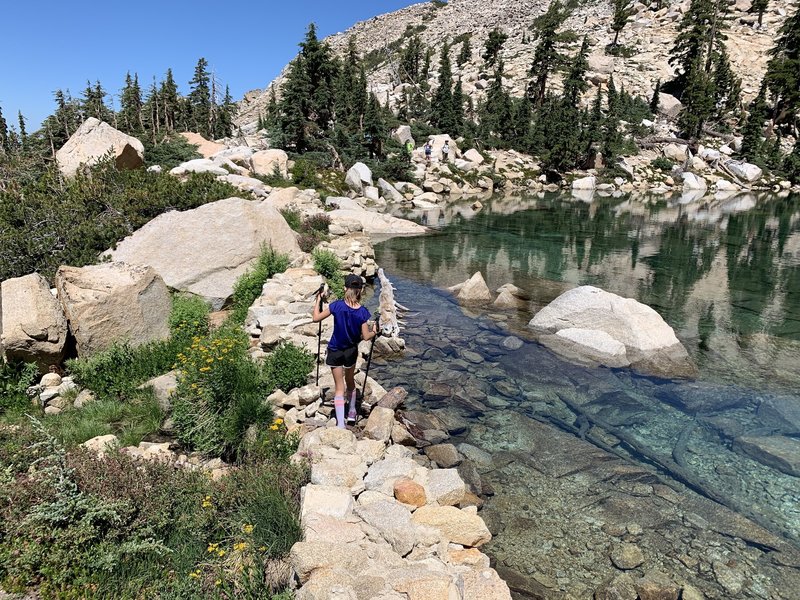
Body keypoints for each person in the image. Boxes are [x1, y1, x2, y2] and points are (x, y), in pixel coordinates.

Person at [312, 274, 377, 428]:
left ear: (345, 288)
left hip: (335, 350)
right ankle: (353, 412)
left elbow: (316, 318)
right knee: (350, 382)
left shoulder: (336, 306)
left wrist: (318, 300)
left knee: (339, 387)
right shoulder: (363, 312)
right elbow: (366, 337)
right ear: (360, 291)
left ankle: (340, 424)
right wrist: (375, 330)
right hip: (351, 352)